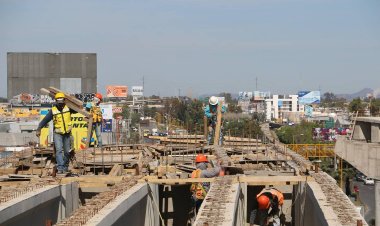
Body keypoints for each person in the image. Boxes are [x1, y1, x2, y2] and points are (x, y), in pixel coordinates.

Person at [36, 92, 76, 174]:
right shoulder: (53, 110)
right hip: (58, 133)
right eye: (59, 102)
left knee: (67, 151)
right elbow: (45, 120)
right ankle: (60, 167)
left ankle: (65, 167)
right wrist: (39, 128)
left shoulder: (69, 108)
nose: (60, 104)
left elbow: (78, 108)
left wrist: (73, 99)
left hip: (67, 133)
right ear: (56, 101)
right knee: (58, 150)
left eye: (62, 102)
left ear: (64, 101)